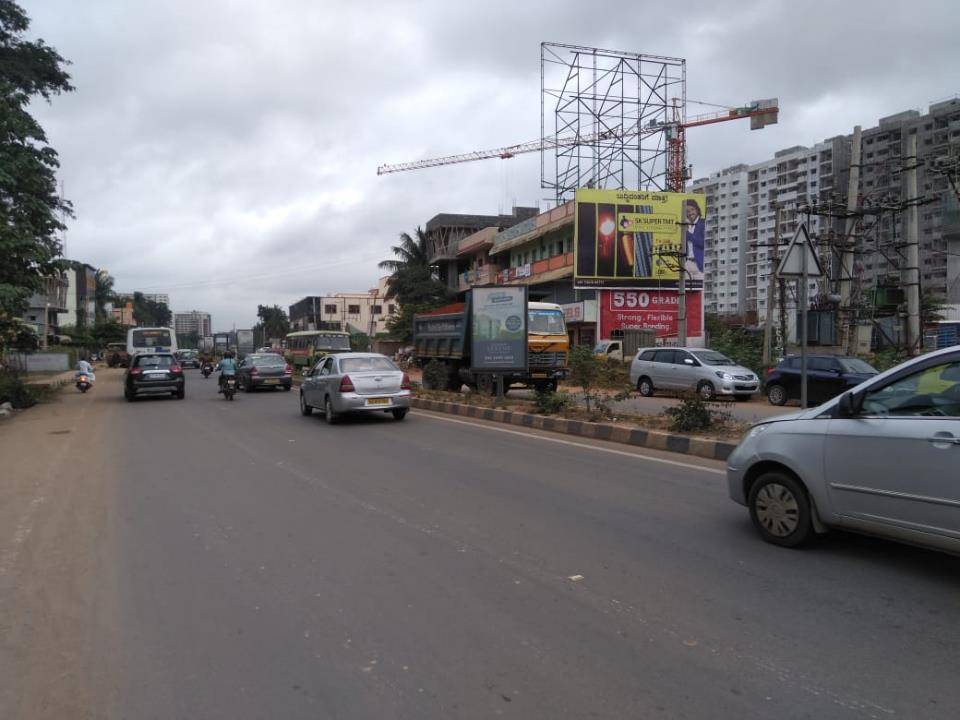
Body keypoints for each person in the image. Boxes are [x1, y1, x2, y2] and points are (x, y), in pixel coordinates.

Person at [684, 198, 705, 281]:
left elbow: (703, 244)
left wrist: (689, 235)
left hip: (698, 264)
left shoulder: (702, 223)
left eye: (692, 209)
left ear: (697, 210)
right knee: (684, 291)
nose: (690, 213)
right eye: (687, 211)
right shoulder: (686, 225)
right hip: (687, 263)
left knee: (699, 291)